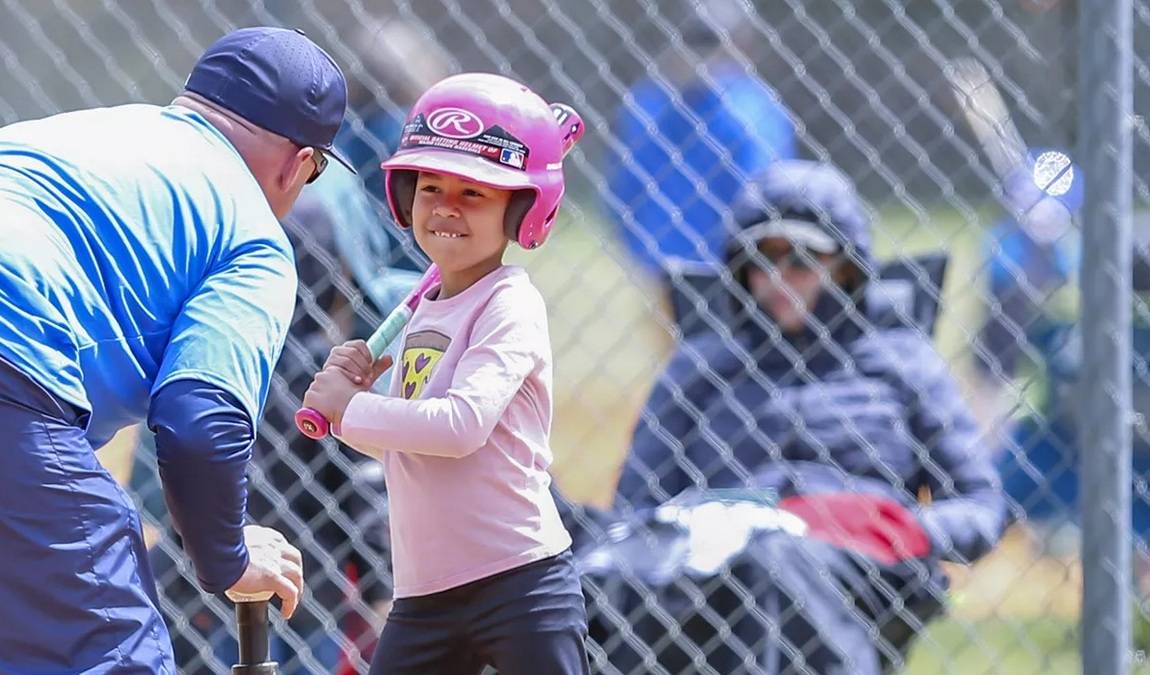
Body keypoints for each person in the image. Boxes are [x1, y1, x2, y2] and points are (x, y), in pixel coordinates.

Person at [0, 26, 352, 672]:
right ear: (298, 163)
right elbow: (199, 420)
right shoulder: (253, 234)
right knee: (112, 648)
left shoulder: (94, 130)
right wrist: (229, 560)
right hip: (12, 356)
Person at [606, 160, 1007, 673]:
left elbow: (980, 506)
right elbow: (634, 509)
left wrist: (900, 529)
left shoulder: (903, 363)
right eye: (762, 259)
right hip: (714, 562)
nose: (778, 278)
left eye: (801, 259)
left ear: (844, 267)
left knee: (779, 563)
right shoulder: (700, 367)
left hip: (857, 562)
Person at [300, 72, 591, 675]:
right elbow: (407, 445)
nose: (446, 207)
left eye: (475, 192)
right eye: (431, 186)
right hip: (426, 593)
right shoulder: (427, 307)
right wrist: (350, 406)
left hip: (519, 582)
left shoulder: (508, 303)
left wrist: (349, 409)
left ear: (524, 210)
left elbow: (458, 428)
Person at [605, 0, 797, 275]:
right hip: (690, 266)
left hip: (704, 265)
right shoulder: (646, 106)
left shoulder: (752, 109)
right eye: (695, 40)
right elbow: (620, 192)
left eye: (707, 41)